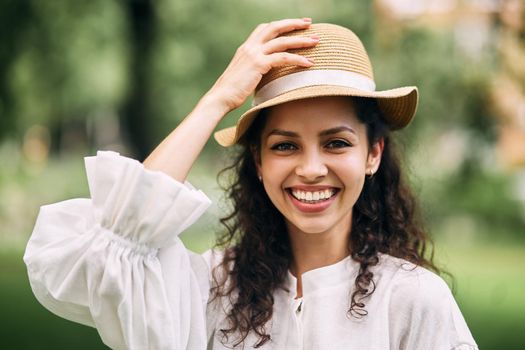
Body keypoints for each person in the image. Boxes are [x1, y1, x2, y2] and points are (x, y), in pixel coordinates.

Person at [24, 19, 478, 350]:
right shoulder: (211, 288)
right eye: (285, 146)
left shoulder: (412, 298)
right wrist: (217, 99)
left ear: (373, 154)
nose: (312, 169)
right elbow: (110, 246)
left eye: (336, 143)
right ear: (258, 161)